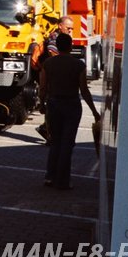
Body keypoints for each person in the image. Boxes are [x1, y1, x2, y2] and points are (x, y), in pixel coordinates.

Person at [39, 33, 100, 190]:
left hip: (53, 104)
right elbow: (84, 90)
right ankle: (63, 180)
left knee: (55, 142)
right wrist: (94, 111)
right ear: (71, 46)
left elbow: (43, 86)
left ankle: (50, 177)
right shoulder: (78, 65)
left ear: (57, 46)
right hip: (72, 105)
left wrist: (41, 103)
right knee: (67, 144)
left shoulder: (48, 63)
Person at [36, 15, 74, 144]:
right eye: (68, 28)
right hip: (50, 76)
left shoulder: (63, 38)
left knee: (54, 108)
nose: (70, 31)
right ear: (60, 26)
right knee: (52, 107)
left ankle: (46, 129)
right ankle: (50, 136)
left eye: (71, 29)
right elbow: (52, 52)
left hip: (55, 76)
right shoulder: (54, 38)